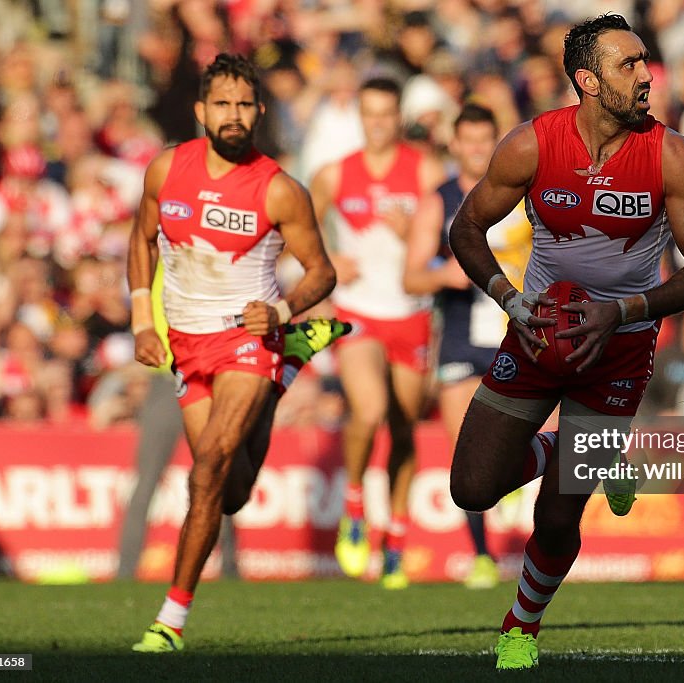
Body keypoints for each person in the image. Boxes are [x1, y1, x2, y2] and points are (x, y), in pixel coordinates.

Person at [447, 15, 684, 670]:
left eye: (645, 61)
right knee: (471, 487)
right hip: (538, 333)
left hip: (621, 346)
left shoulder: (670, 153)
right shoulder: (532, 145)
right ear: (587, 80)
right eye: (629, 64)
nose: (646, 75)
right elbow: (466, 230)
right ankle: (572, 454)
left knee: (558, 515)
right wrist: (510, 299)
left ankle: (522, 624)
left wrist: (622, 309)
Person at [127, 54, 338, 653]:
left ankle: (169, 619)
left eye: (244, 104)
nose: (233, 114)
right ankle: (289, 369)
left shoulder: (279, 189)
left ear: (260, 112)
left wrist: (281, 311)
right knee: (232, 492)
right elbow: (139, 242)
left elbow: (322, 272)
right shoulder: (165, 170)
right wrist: (144, 320)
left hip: (249, 339)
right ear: (200, 111)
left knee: (209, 466)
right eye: (222, 103)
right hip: (185, 347)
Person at [116, 263, 346, 581]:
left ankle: (229, 567)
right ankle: (125, 570)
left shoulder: (207, 257)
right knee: (150, 479)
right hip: (167, 380)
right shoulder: (159, 253)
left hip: (211, 375)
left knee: (218, 473)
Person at [309, 78, 444, 589]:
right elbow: (301, 222)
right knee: (367, 412)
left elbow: (453, 237)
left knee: (404, 425)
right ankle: (355, 507)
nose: (379, 123)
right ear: (360, 117)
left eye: (387, 113)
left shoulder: (425, 170)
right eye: (370, 113)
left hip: (410, 314)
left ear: (398, 116)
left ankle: (397, 536)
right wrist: (325, 260)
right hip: (358, 311)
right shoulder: (335, 173)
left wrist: (413, 234)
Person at [403, 103, 532, 589]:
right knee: (466, 449)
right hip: (460, 332)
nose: (477, 149)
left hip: (515, 328)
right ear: (454, 145)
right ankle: (481, 555)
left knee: (524, 425)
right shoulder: (439, 200)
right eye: (468, 140)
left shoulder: (522, 192)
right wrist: (443, 274)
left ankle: (516, 470)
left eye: (485, 139)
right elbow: (411, 274)